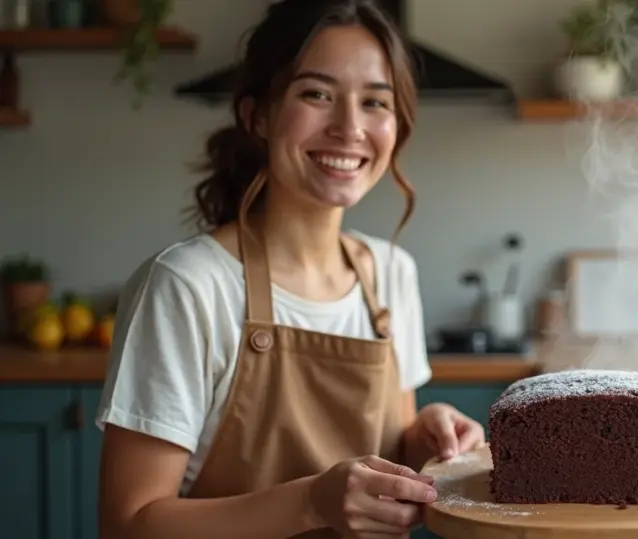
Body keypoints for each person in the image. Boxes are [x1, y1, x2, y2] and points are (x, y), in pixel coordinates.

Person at [94, 1, 486, 537]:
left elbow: (390, 441)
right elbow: (128, 524)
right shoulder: (187, 286)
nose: (350, 127)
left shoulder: (391, 273)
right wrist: (311, 503)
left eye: (375, 102)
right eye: (316, 94)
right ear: (258, 115)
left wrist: (426, 436)